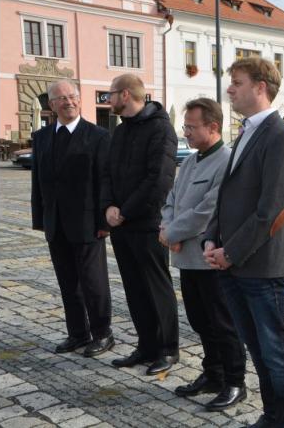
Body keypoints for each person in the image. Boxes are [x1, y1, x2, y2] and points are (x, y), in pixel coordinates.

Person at [203, 57, 284, 428]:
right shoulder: (245, 132)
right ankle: (271, 416)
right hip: (233, 262)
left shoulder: (281, 137)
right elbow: (227, 195)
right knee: (259, 352)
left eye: (237, 82)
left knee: (275, 350)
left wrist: (230, 251)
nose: (229, 89)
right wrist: (212, 237)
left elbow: (273, 210)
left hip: (261, 264)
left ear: (261, 87)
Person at [160, 98, 247, 411]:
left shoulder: (226, 161)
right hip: (186, 258)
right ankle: (213, 374)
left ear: (213, 127)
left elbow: (208, 209)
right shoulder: (193, 161)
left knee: (222, 323)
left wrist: (172, 233)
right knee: (200, 320)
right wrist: (167, 225)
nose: (186, 132)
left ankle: (235, 381)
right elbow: (172, 198)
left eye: (191, 127)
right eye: (185, 127)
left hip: (210, 259)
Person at [102, 74, 179, 375]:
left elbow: (159, 180)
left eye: (110, 94)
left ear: (124, 95)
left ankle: (168, 349)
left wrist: (126, 210)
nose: (107, 100)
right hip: (121, 224)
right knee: (134, 288)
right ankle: (146, 345)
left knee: (156, 287)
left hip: (148, 224)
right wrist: (108, 206)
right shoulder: (120, 131)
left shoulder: (161, 128)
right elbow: (107, 172)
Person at [30, 80, 113, 357]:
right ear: (51, 105)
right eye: (61, 98)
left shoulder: (98, 136)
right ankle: (78, 333)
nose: (68, 101)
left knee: (94, 283)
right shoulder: (41, 137)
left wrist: (104, 223)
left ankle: (103, 334)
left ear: (79, 100)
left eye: (73, 96)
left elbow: (105, 182)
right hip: (56, 224)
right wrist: (40, 218)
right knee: (68, 283)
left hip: (88, 224)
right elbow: (38, 182)